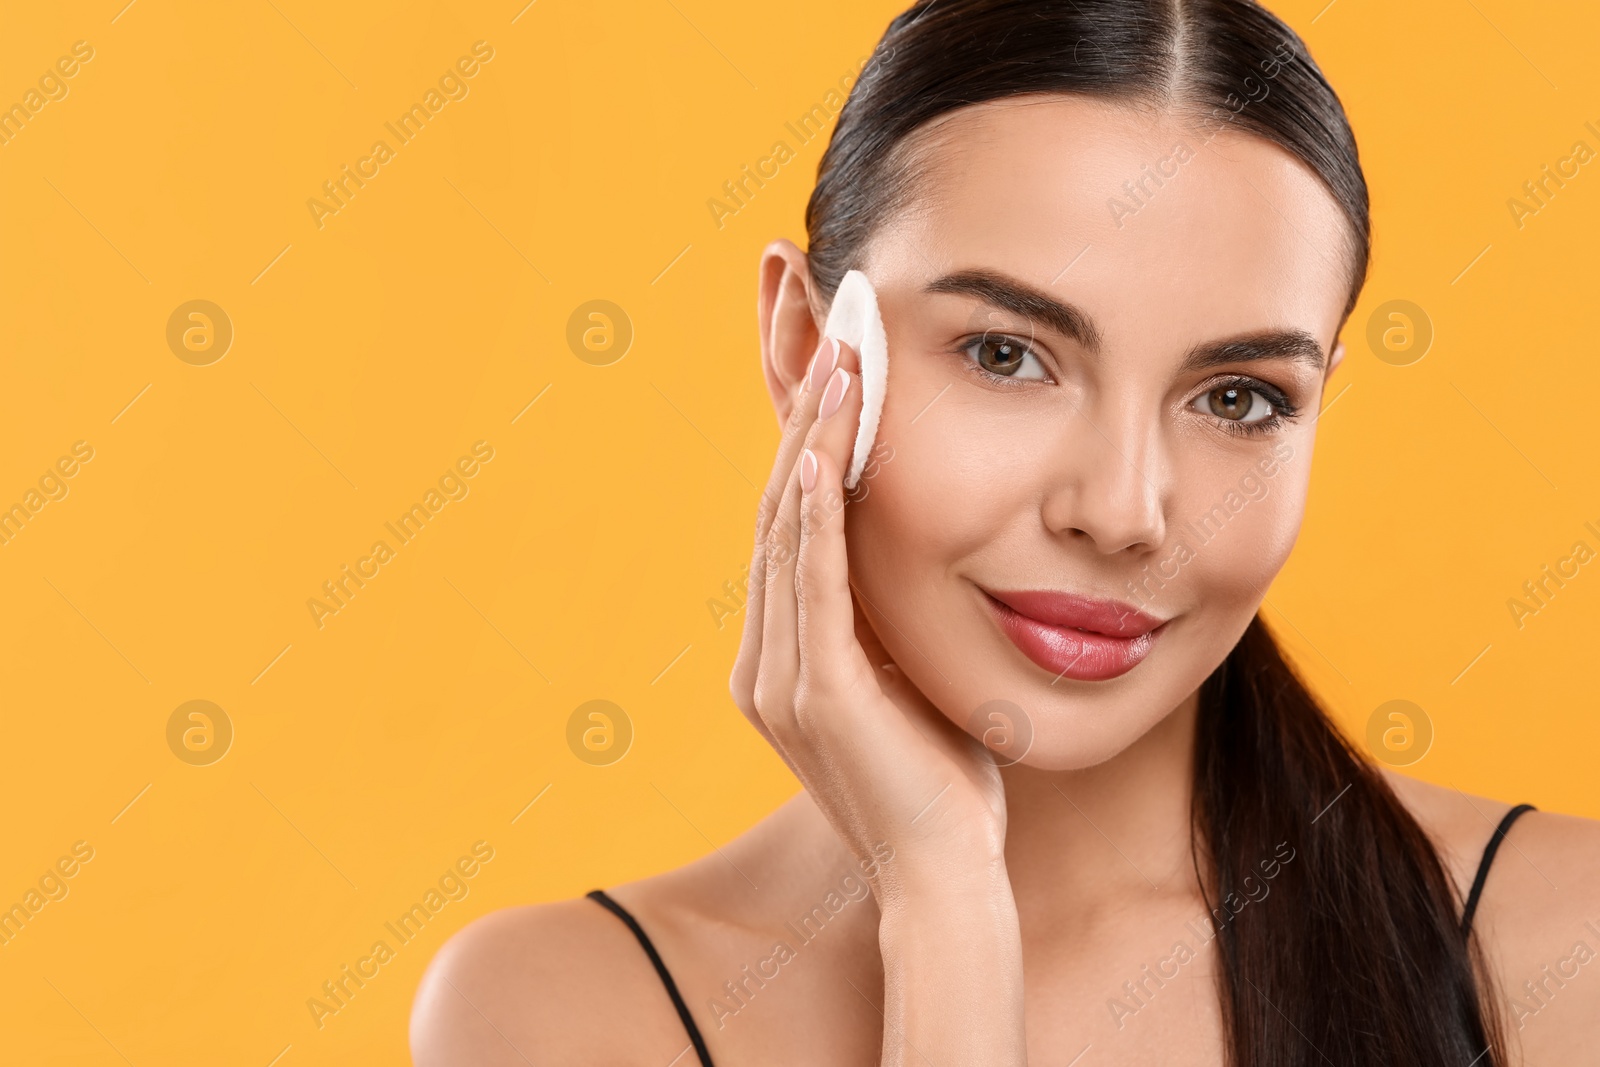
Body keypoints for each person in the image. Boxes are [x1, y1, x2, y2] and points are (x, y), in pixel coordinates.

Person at [410, 1, 1600, 1063]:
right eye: (1005, 354)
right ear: (803, 348)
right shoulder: (564, 1011)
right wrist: (941, 901)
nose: (1124, 511)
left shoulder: (1559, 947)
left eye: (1239, 396)